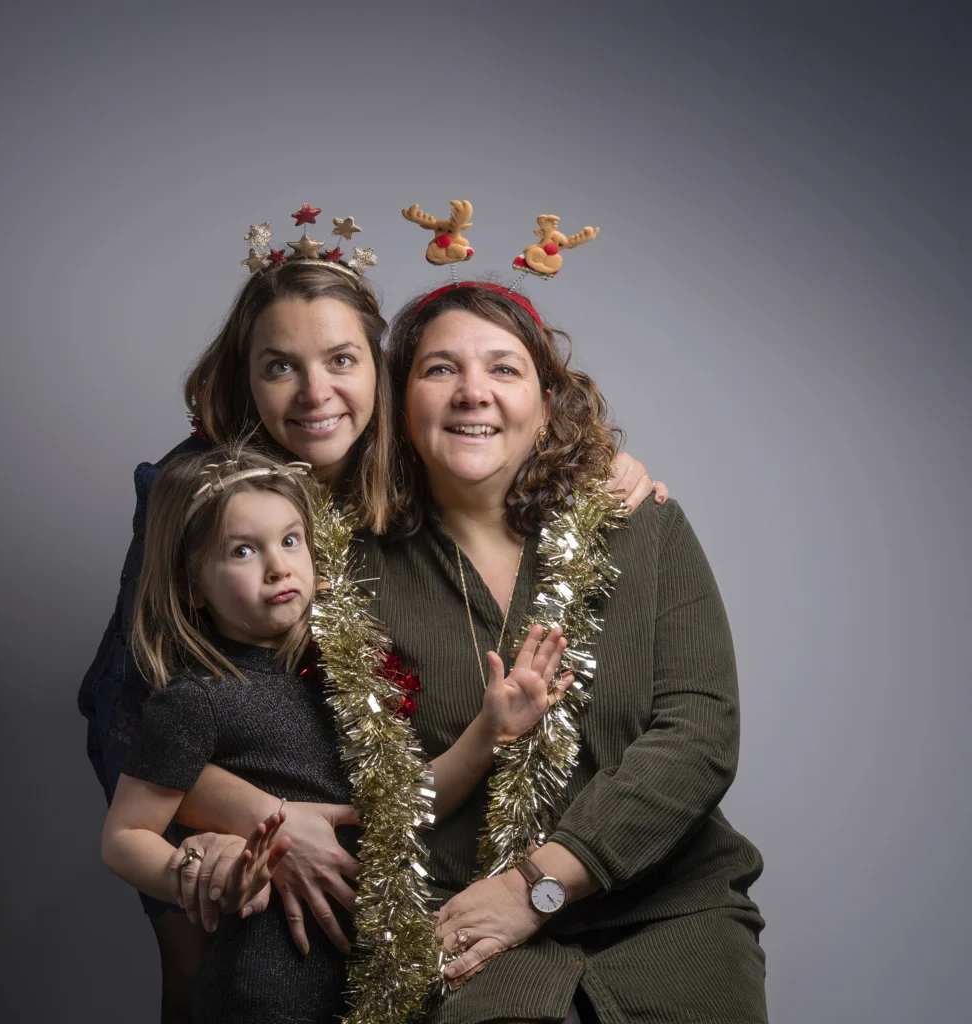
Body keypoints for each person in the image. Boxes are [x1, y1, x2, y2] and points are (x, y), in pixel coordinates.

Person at [77, 239, 669, 1019]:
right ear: (245, 379)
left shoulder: (394, 468)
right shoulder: (204, 494)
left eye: (341, 361)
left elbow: (504, 442)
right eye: (279, 366)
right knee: (210, 984)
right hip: (201, 801)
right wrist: (264, 822)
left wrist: (607, 465)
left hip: (349, 793)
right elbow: (133, 713)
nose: (314, 392)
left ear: (380, 373)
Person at [356, 282, 767, 1024]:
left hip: (669, 911)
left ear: (547, 404)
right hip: (468, 925)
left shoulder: (640, 526)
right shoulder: (349, 568)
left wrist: (536, 886)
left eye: (504, 370)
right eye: (440, 369)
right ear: (397, 401)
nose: (473, 393)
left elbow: (701, 734)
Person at [102, 444, 577, 1023]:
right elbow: (124, 835)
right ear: (194, 584)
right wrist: (200, 875)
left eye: (290, 540)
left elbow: (401, 805)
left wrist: (489, 730)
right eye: (243, 551)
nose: (277, 566)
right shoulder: (195, 700)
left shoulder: (342, 673)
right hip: (267, 985)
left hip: (363, 980)